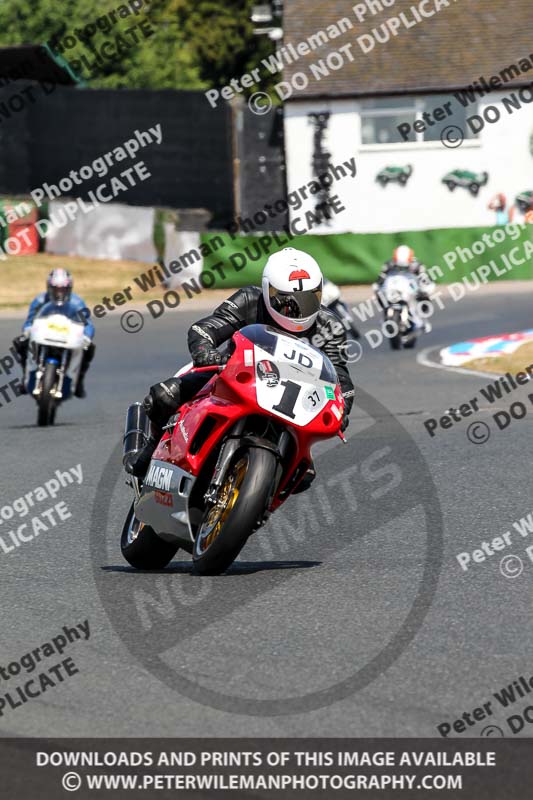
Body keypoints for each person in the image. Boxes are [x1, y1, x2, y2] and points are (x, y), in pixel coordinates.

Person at [129, 247, 355, 491]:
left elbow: (340, 377)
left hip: (292, 397)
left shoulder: (330, 325)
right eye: (287, 303)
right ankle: (149, 453)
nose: (298, 311)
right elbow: (205, 328)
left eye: (308, 300)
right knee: (164, 396)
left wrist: (342, 408)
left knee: (302, 475)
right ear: (268, 293)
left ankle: (254, 502)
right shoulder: (249, 300)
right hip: (232, 372)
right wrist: (205, 350)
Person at [12, 268, 95, 398]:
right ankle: (26, 377)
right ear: (49, 287)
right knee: (20, 342)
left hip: (67, 335)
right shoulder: (39, 300)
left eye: (63, 289)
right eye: (55, 289)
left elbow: (88, 323)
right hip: (44, 333)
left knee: (89, 348)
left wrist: (87, 336)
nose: (59, 293)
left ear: (69, 288)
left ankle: (78, 381)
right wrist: (27, 330)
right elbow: (29, 320)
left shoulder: (77, 302)